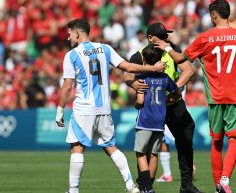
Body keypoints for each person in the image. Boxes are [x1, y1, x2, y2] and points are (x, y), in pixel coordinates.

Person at [154, 0, 236, 193]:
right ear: (227, 13)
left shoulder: (205, 38)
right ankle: (224, 180)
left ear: (214, 15)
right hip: (235, 95)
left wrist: (166, 47)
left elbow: (181, 58)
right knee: (234, 139)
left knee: (216, 140)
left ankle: (217, 185)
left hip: (214, 97)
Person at [55, 19, 165, 193]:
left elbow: (68, 85)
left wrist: (60, 110)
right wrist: (153, 68)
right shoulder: (105, 49)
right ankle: (130, 184)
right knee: (110, 147)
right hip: (105, 109)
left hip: (84, 108)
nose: (68, 38)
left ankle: (73, 190)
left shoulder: (72, 55)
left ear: (77, 33)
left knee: (77, 148)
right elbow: (127, 66)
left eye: (69, 34)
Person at [125, 22, 203, 193]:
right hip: (153, 107)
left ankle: (186, 185)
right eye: (161, 37)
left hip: (173, 105)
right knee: (148, 150)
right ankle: (146, 186)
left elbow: (188, 71)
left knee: (185, 139)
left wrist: (173, 89)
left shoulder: (172, 50)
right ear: (150, 38)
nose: (165, 39)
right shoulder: (139, 55)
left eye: (165, 36)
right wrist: (135, 85)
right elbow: (128, 76)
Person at [134, 44, 181, 193]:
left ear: (145, 61)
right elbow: (177, 93)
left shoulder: (142, 77)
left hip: (145, 120)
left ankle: (146, 187)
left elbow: (140, 101)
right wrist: (170, 99)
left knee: (141, 153)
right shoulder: (165, 78)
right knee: (154, 154)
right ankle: (150, 187)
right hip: (160, 120)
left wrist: (136, 105)